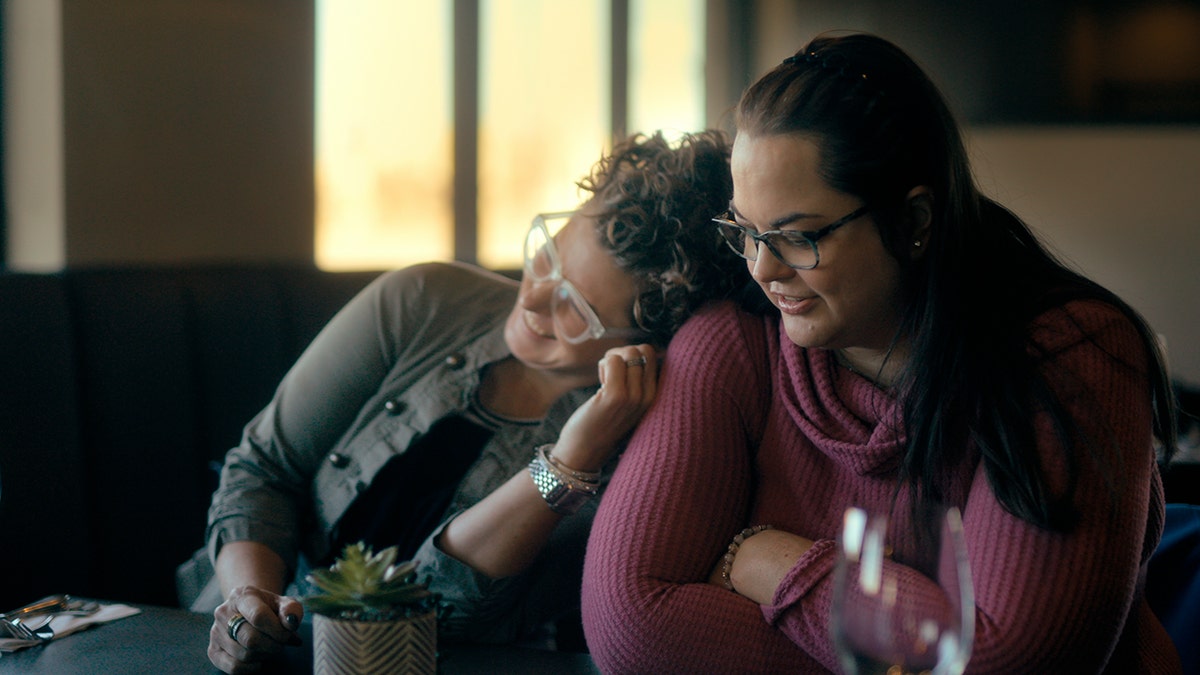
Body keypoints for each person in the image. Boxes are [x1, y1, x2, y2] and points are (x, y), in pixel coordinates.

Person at [581, 33, 1183, 673]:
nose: (762, 269)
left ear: (914, 221)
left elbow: (999, 664)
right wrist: (910, 630)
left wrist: (763, 562)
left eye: (798, 237)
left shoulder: (1068, 356)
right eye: (745, 232)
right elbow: (630, 629)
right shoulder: (735, 342)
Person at [186, 130, 742, 674]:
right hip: (226, 639)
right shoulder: (423, 300)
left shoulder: (639, 447)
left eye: (575, 306)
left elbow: (452, 616)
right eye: (547, 255)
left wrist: (567, 464)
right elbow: (264, 468)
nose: (532, 296)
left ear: (647, 342)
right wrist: (248, 601)